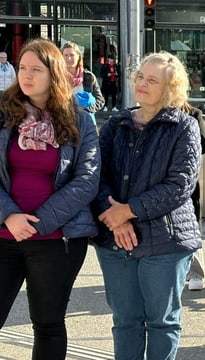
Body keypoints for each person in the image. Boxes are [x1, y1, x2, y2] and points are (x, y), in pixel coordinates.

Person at [93, 51, 202, 360]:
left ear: (171, 87)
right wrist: (115, 219)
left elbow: (179, 185)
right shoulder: (116, 124)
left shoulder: (184, 126)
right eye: (140, 76)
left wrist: (127, 211)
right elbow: (94, 175)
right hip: (114, 240)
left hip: (166, 242)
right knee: (125, 322)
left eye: (152, 79)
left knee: (161, 322)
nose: (142, 83)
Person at [0, 38, 99, 360]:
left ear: (54, 73)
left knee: (48, 324)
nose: (26, 76)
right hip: (3, 234)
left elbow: (87, 180)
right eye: (22, 68)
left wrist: (38, 223)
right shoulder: (3, 114)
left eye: (36, 70)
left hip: (57, 239)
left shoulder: (80, 120)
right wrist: (10, 216)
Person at [186, 105, 205, 291]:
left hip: (185, 181)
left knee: (191, 225)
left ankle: (195, 272)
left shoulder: (193, 114)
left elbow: (202, 144)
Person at [61, 42, 105, 123]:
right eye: (66, 55)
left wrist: (86, 110)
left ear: (78, 56)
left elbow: (100, 101)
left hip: (86, 123)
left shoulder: (89, 77)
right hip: (64, 124)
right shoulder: (57, 78)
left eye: (72, 55)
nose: (69, 58)